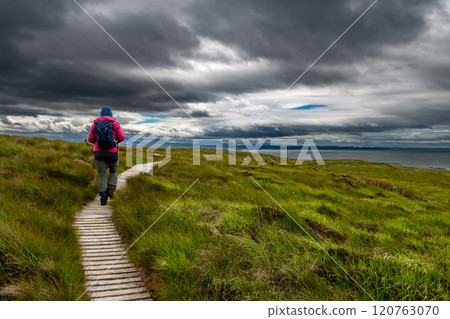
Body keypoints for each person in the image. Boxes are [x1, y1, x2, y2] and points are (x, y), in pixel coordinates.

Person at [88, 107, 125, 205]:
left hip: (98, 153)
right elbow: (122, 137)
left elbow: (90, 139)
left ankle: (103, 196)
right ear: (111, 114)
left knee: (101, 173)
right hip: (112, 152)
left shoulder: (95, 125)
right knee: (114, 171)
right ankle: (111, 191)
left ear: (101, 114)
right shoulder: (115, 124)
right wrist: (115, 140)